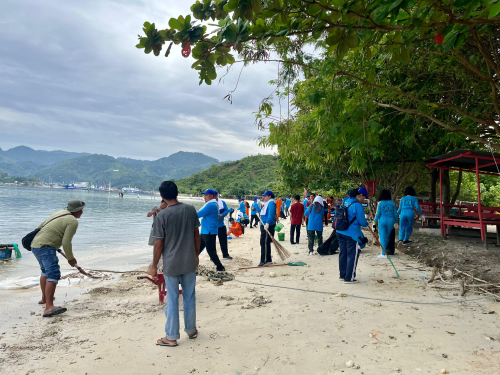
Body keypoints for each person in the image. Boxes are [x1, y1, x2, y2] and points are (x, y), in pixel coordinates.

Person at [149, 181, 200, 347]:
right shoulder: (190, 209)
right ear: (177, 192)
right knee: (189, 296)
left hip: (171, 263)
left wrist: (154, 265)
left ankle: (171, 337)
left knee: (172, 299)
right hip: (189, 260)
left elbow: (158, 244)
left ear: (161, 196)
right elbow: (196, 234)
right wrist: (196, 255)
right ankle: (191, 330)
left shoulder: (162, 215)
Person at [31, 200, 85, 317]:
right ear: (78, 210)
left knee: (45, 271)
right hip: (46, 247)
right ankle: (49, 308)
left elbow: (40, 227)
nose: (82, 212)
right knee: (53, 273)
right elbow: (66, 242)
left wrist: (51, 239)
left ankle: (44, 299)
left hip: (36, 245)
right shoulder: (73, 221)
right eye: (81, 210)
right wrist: (71, 258)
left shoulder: (59, 213)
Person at [336, 187, 369, 284]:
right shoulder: (358, 205)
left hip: (340, 231)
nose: (364, 199)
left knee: (343, 253)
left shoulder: (345, 201)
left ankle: (342, 275)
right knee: (352, 255)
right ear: (359, 195)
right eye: (364, 197)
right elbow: (362, 222)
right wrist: (367, 224)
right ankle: (349, 277)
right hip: (352, 234)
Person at [197, 189, 225, 271]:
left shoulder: (211, 205)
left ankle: (220, 267)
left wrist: (186, 214)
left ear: (211, 196)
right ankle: (191, 266)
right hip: (205, 231)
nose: (204, 197)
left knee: (211, 251)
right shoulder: (211, 204)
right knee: (196, 250)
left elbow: (198, 214)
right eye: (204, 195)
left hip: (209, 231)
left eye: (206, 195)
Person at [373, 189, 398, 259]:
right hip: (391, 220)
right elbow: (395, 214)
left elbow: (377, 214)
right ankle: (385, 252)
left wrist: (374, 222)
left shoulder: (380, 203)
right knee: (387, 236)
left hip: (382, 220)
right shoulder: (393, 203)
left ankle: (383, 253)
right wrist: (396, 222)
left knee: (382, 236)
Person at [259, 190, 277, 266]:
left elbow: (271, 215)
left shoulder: (271, 203)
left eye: (265, 196)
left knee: (265, 242)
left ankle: (264, 260)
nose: (264, 197)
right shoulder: (267, 203)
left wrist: (268, 223)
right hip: (264, 225)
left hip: (267, 226)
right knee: (264, 242)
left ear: (270, 196)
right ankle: (268, 259)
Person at [215, 191, 232, 260]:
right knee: (212, 242)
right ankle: (213, 255)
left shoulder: (222, 202)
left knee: (223, 241)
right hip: (213, 226)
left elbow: (226, 210)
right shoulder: (209, 203)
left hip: (221, 225)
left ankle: (225, 254)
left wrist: (222, 215)